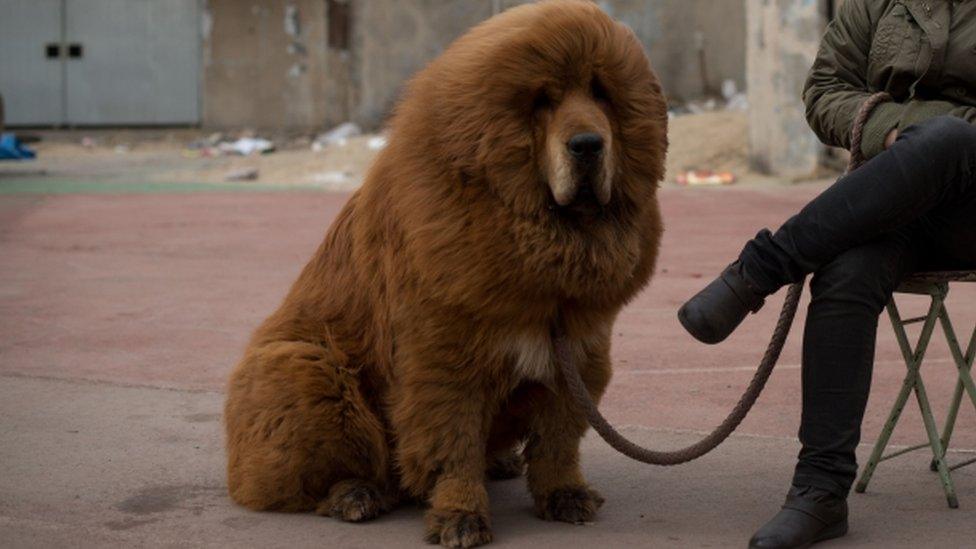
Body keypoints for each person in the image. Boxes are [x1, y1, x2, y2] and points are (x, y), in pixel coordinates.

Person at [677, 2, 976, 548]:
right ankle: (820, 491)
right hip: (897, 193)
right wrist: (898, 137)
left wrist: (929, 137)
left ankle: (760, 268)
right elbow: (825, 90)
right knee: (845, 269)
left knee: (948, 141)